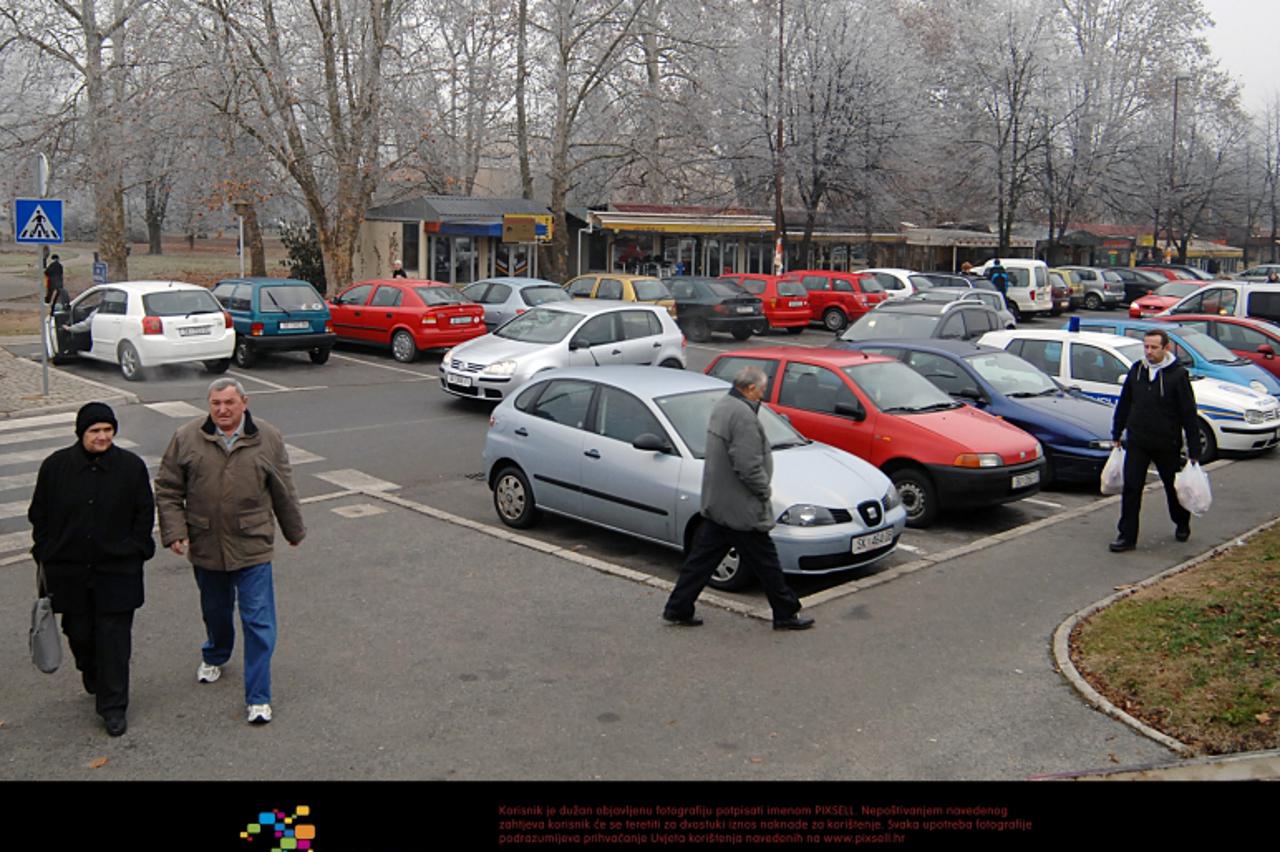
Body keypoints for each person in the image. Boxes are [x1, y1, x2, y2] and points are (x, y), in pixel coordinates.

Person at [155, 378, 306, 724]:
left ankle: (258, 697)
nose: (222, 410)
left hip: (252, 544)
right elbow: (167, 488)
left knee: (257, 620)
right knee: (216, 611)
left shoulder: (268, 437)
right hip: (207, 544)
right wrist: (175, 531)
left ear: (244, 403)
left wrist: (293, 529)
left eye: (229, 403)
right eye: (216, 404)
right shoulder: (186, 437)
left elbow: (283, 487)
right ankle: (216, 653)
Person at [27, 403, 155, 737]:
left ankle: (114, 708)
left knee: (114, 642)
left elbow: (144, 512)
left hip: (117, 571)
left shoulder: (130, 467)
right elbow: (39, 514)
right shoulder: (56, 467)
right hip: (70, 573)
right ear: (81, 433)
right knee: (80, 634)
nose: (102, 437)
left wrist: (136, 548)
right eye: (95, 431)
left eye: (107, 430)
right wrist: (45, 550)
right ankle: (92, 673)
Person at [662, 365, 814, 631]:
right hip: (741, 507)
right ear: (750, 388)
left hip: (720, 503)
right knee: (767, 562)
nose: (762, 396)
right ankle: (785, 612)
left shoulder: (723, 405)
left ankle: (678, 607)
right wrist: (763, 490)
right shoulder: (743, 415)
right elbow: (747, 464)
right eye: (762, 390)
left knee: (701, 562)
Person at [1109, 329, 1201, 553]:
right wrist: (1117, 432)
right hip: (1138, 440)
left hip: (1166, 442)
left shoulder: (1177, 376)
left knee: (1172, 487)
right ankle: (1127, 536)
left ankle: (1181, 522)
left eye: (1154, 348)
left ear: (1166, 348)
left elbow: (1188, 413)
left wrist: (1194, 450)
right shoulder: (1137, 370)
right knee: (1132, 488)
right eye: (1146, 347)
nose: (1148, 352)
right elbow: (1125, 403)